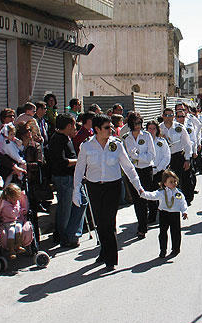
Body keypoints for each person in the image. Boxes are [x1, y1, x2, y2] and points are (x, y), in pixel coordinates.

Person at [73, 114, 145, 270]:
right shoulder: (86, 146)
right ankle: (105, 251)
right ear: (97, 129)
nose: (111, 130)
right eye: (107, 127)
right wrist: (76, 190)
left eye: (111, 127)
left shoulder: (116, 144)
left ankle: (111, 259)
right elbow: (79, 169)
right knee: (100, 222)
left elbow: (128, 166)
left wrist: (137, 184)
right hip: (94, 187)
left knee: (109, 221)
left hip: (112, 187)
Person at [47, 113, 86, 248]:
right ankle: (65, 237)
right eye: (74, 125)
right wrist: (79, 161)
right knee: (66, 209)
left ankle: (73, 233)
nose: (75, 128)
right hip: (64, 178)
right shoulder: (58, 139)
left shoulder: (66, 138)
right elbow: (61, 162)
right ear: (69, 125)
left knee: (82, 202)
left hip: (72, 177)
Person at [122, 112, 154, 238]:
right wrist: (135, 158)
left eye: (140, 123)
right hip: (132, 170)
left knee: (143, 197)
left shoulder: (146, 136)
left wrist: (137, 156)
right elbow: (124, 156)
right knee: (136, 199)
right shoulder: (126, 137)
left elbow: (151, 155)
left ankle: (143, 224)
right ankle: (141, 224)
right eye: (135, 123)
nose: (138, 126)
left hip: (145, 170)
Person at [142, 170, 188, 258]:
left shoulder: (178, 193)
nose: (174, 183)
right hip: (164, 214)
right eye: (171, 182)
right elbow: (152, 195)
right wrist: (143, 194)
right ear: (165, 183)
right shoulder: (161, 192)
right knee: (163, 233)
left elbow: (183, 202)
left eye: (175, 181)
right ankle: (163, 250)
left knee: (175, 232)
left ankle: (175, 249)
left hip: (175, 214)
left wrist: (184, 211)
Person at [159, 108, 193, 202]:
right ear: (163, 116)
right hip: (164, 157)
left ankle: (180, 200)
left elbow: (187, 144)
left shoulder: (179, 127)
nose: (168, 117)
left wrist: (187, 159)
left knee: (177, 180)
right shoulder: (159, 128)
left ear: (173, 116)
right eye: (166, 115)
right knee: (165, 180)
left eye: (170, 115)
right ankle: (167, 200)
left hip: (178, 156)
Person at [0, 183, 33, 259]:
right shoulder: (5, 205)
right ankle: (11, 249)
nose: (17, 200)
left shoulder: (16, 202)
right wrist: (20, 209)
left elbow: (18, 212)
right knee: (11, 231)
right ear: (9, 198)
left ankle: (18, 245)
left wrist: (22, 210)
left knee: (19, 228)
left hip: (17, 221)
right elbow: (12, 214)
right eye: (15, 198)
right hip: (8, 222)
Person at [146, 120, 171, 223]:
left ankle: (162, 214)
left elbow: (167, 156)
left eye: (153, 129)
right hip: (147, 170)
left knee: (160, 194)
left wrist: (158, 168)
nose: (151, 131)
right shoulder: (143, 142)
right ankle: (152, 215)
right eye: (149, 129)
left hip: (159, 171)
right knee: (150, 194)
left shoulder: (162, 141)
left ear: (157, 130)